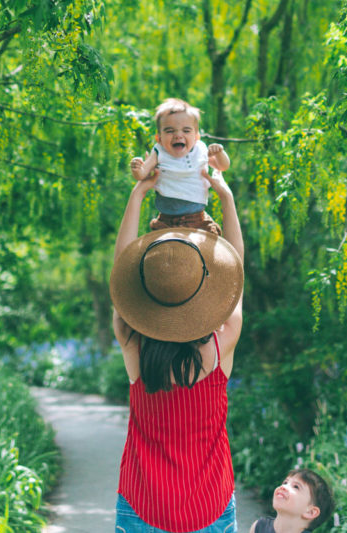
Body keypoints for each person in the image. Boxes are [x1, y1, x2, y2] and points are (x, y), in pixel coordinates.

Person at [109, 166, 244, 532]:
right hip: (209, 507)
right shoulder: (219, 348)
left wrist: (138, 195)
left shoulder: (134, 347)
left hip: (142, 505)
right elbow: (237, 275)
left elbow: (120, 277)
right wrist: (226, 199)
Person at [130, 98, 231, 235]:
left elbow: (223, 166)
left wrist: (219, 153)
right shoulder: (159, 152)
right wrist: (137, 168)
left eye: (186, 131)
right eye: (170, 131)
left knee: (213, 243)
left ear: (196, 137)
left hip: (198, 218)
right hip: (166, 219)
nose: (178, 135)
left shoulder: (200, 150)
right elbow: (142, 174)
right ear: (159, 137)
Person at [249, 469, 335, 533]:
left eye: (296, 487)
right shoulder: (259, 527)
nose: (284, 487)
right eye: (285, 482)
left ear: (310, 512)